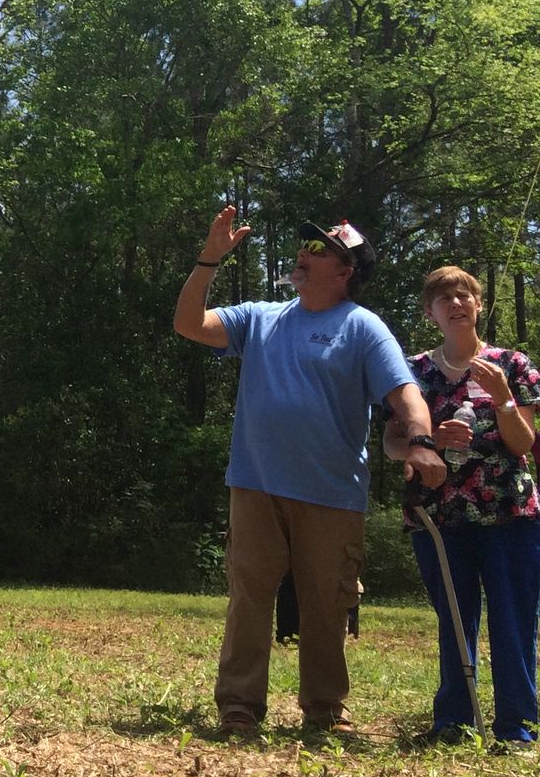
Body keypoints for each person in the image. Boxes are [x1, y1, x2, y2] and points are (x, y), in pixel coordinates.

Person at [174, 207, 445, 736]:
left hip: (332, 494)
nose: (305, 253)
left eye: (320, 250)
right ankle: (238, 707)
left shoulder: (363, 328)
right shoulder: (260, 317)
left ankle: (325, 711)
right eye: (306, 247)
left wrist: (421, 442)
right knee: (249, 595)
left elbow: (405, 393)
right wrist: (209, 259)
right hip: (255, 485)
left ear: (346, 271)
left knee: (327, 603)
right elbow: (188, 324)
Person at [380, 266, 540, 744]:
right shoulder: (413, 372)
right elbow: (390, 441)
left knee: (514, 617)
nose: (456, 302)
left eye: (465, 294)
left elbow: (523, 443)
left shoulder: (511, 365)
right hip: (439, 515)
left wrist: (504, 401)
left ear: (478, 304)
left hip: (509, 512)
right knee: (453, 616)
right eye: (444, 297)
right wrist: (423, 444)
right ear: (431, 313)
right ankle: (455, 721)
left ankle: (517, 726)